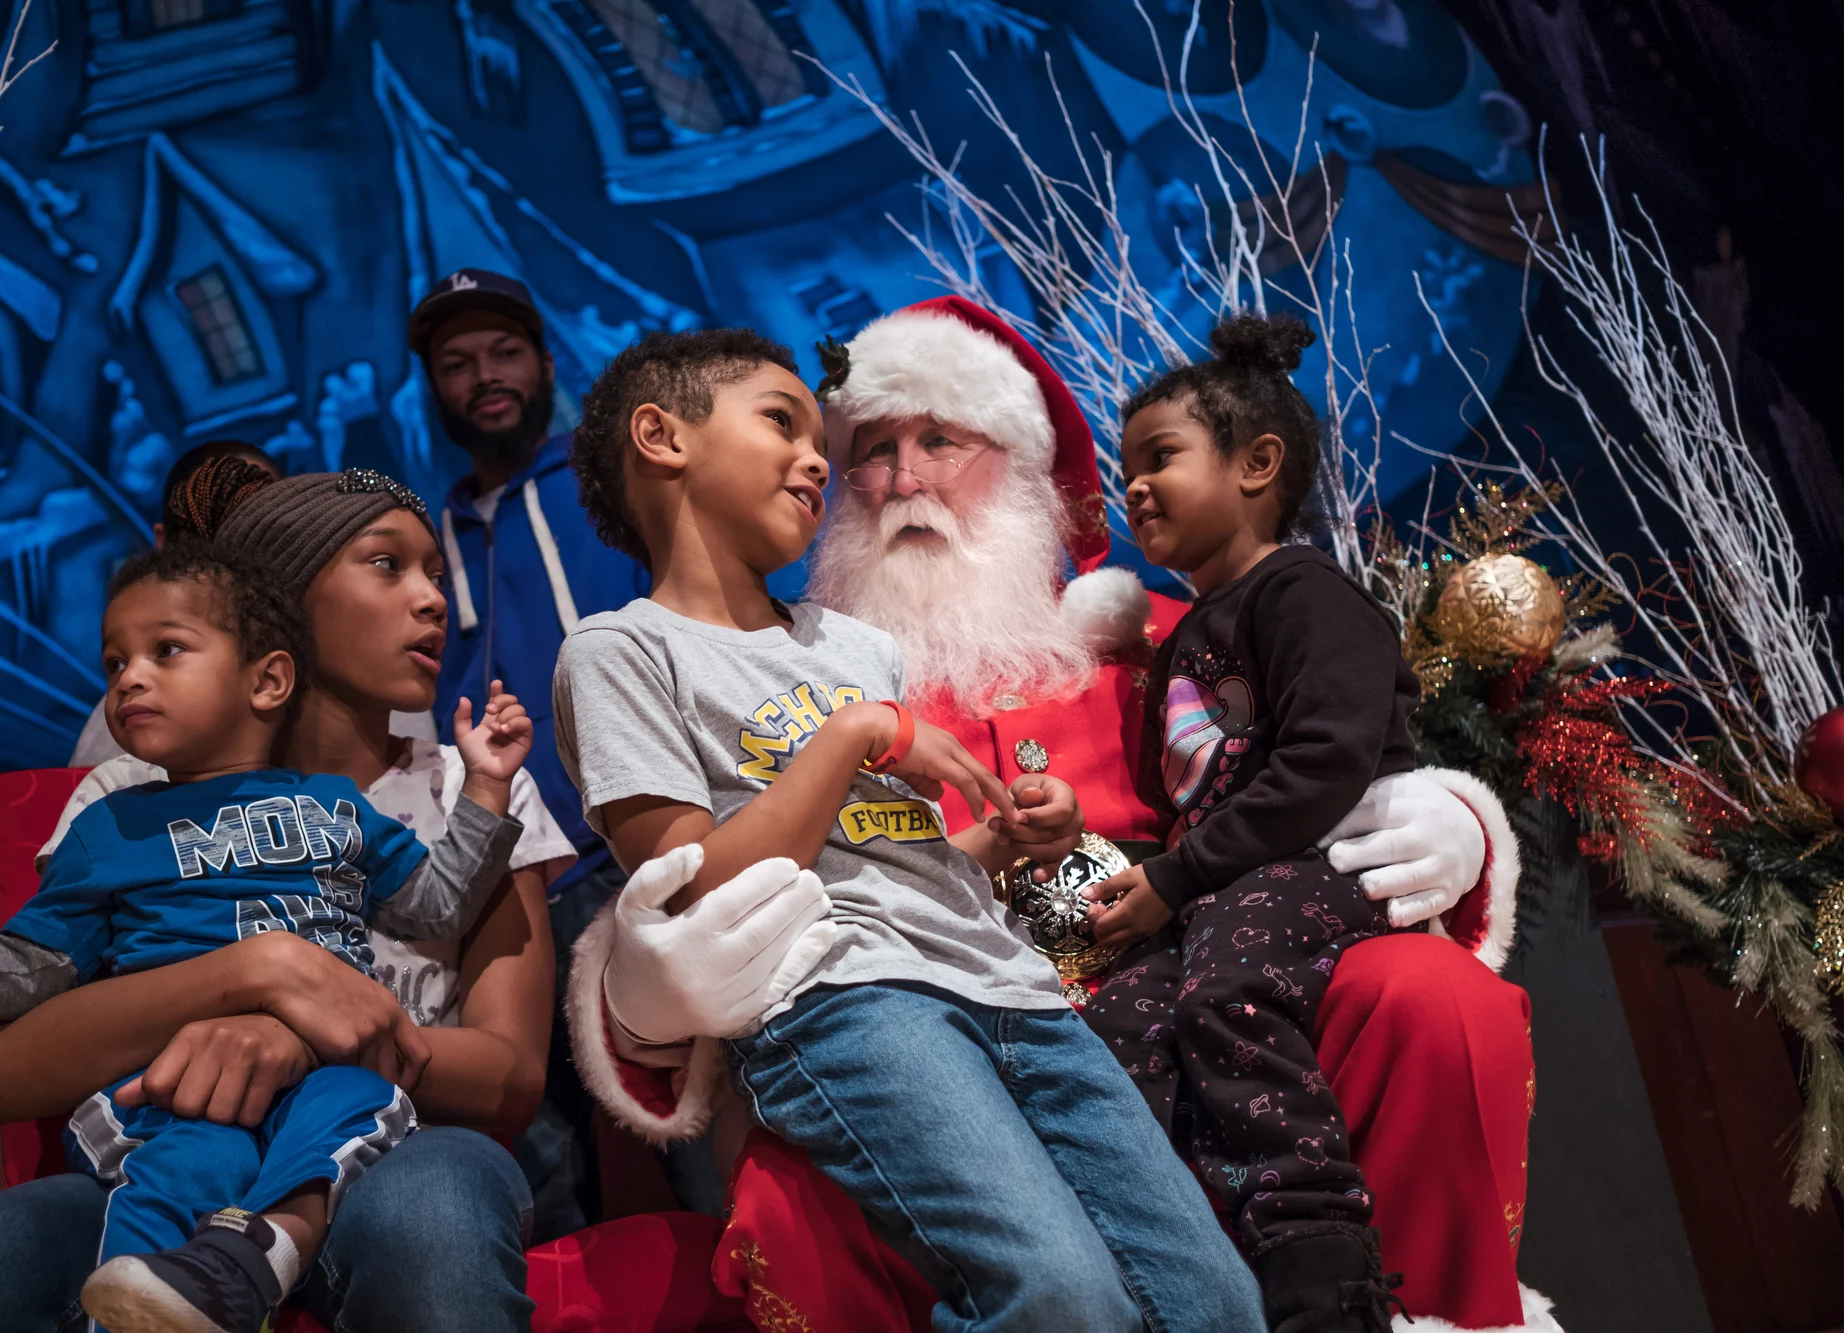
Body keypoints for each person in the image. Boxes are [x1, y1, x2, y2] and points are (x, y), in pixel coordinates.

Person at [570, 298, 1546, 1333]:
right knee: (918, 1230)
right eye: (873, 450)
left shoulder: (1164, 640)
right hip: (892, 994)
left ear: (1028, 467)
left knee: (1427, 997)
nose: (901, 476)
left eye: (940, 440)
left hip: (1165, 969)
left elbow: (1308, 745)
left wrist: (1440, 812)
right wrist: (637, 986)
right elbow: (703, 860)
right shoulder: (814, 665)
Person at [556, 326, 1267, 1331]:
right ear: (661, 437)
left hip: (1009, 984)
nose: (818, 461)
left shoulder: (854, 646)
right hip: (846, 1001)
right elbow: (693, 886)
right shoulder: (621, 652)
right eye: (781, 423)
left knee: (1215, 1298)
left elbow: (893, 861)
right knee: (1059, 1296)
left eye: (820, 444)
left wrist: (1008, 838)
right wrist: (854, 734)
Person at [0, 465, 580, 1333]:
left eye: (435, 571)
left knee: (432, 1215)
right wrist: (255, 972)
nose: (433, 599)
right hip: (171, 1142)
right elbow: (2, 1074)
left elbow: (511, 1075)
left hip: (393, 1145)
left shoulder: (471, 792)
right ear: (283, 604)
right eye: (386, 564)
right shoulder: (127, 797)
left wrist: (296, 1041)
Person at [1075, 313, 1416, 1331]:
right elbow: (1179, 803)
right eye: (1126, 469)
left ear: (1256, 464)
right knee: (1120, 1025)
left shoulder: (1304, 593)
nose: (1134, 487)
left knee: (1227, 989)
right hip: (1223, 885)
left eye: (1160, 458)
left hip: (1321, 861)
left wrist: (1177, 880)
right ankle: (1168, 1273)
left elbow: (1324, 764)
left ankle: (1321, 1273)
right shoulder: (1184, 640)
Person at [410, 268, 660, 1220]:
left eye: (504, 352)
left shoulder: (611, 489)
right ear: (433, 389)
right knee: (541, 1148)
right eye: (457, 363)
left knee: (694, 1107)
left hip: (629, 849)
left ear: (547, 364)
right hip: (505, 882)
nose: (485, 376)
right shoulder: (429, 538)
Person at [69, 438, 284, 767]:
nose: (130, 679)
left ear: (272, 679)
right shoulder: (121, 758)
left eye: (168, 650)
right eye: (116, 665)